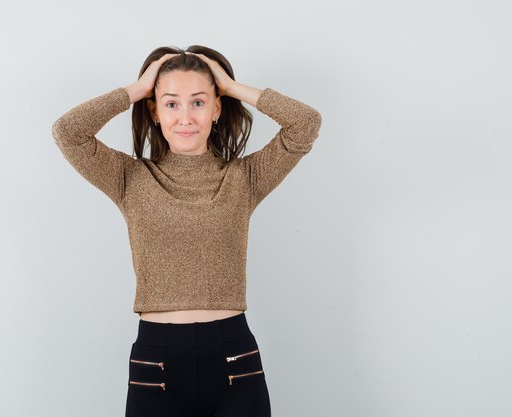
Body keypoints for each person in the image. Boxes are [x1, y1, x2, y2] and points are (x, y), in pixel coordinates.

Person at [52, 45, 322, 417]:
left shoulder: (243, 178)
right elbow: (68, 132)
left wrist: (231, 85)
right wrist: (137, 89)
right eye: (171, 103)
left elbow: (305, 123)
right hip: (157, 359)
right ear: (155, 110)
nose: (185, 117)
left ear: (216, 109)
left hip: (233, 355)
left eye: (198, 102)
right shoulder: (130, 177)